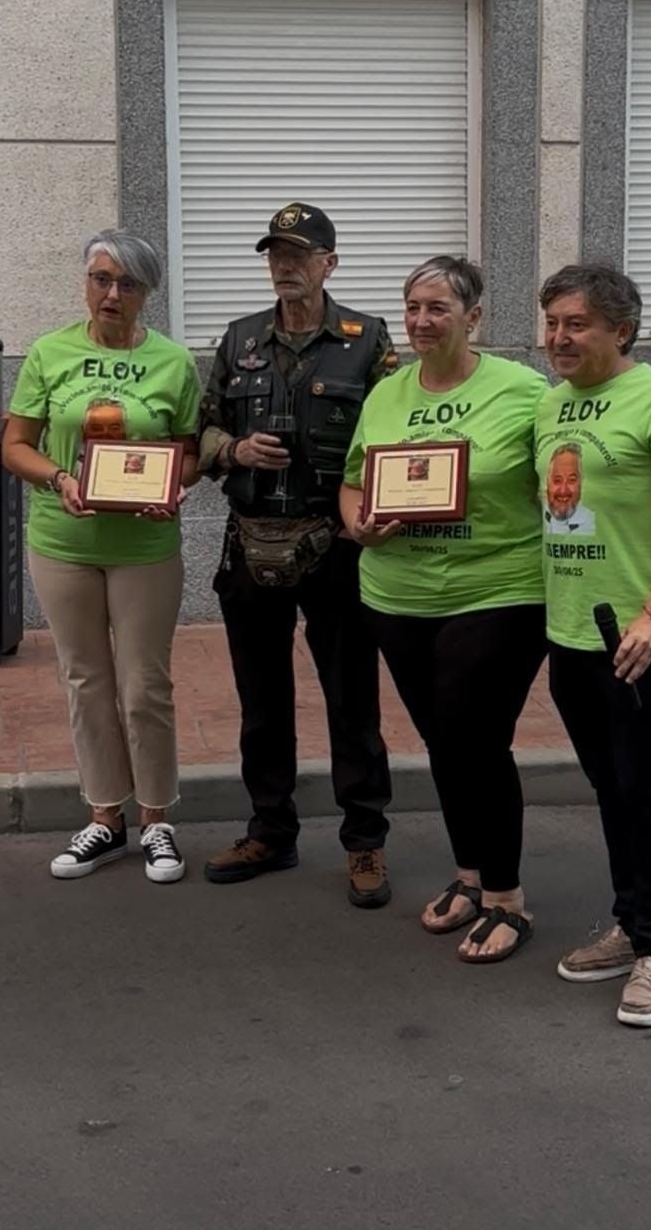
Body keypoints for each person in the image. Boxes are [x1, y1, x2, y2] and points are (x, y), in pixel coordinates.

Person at [341, 256, 548, 963]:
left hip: (497, 591)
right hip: (397, 595)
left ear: (474, 317)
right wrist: (359, 524)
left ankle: (507, 899)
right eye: (412, 309)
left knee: (475, 738)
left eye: (438, 308)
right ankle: (469, 874)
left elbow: (563, 484)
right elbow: (353, 482)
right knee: (443, 740)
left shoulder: (523, 391)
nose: (422, 321)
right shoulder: (387, 394)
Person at [199, 202, 398, 907]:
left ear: (329, 263)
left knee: (352, 700)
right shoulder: (239, 339)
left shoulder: (367, 340)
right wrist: (233, 449)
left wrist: (367, 517)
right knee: (261, 700)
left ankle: (365, 841)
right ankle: (271, 830)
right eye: (275, 253)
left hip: (336, 545)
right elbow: (203, 432)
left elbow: (394, 437)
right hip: (252, 540)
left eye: (299, 253)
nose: (284, 265)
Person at [537, 264, 651, 1028]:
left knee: (646, 792)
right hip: (569, 630)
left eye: (575, 324)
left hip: (634, 637)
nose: (558, 339)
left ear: (620, 330)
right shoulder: (550, 406)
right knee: (610, 788)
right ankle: (630, 920)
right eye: (551, 324)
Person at [2, 231, 202, 883]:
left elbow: (188, 452)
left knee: (145, 685)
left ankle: (158, 821)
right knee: (85, 680)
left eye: (128, 284)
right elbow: (16, 445)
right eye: (101, 279)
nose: (112, 294)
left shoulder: (174, 362)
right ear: (85, 282)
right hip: (63, 543)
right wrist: (59, 479)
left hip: (144, 547)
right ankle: (104, 819)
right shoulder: (50, 352)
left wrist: (173, 487)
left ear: (148, 293)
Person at [544, 444, 596, 535]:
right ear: (548, 482)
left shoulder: (592, 525)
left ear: (581, 483)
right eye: (557, 480)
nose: (563, 490)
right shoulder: (534, 517)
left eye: (571, 480)